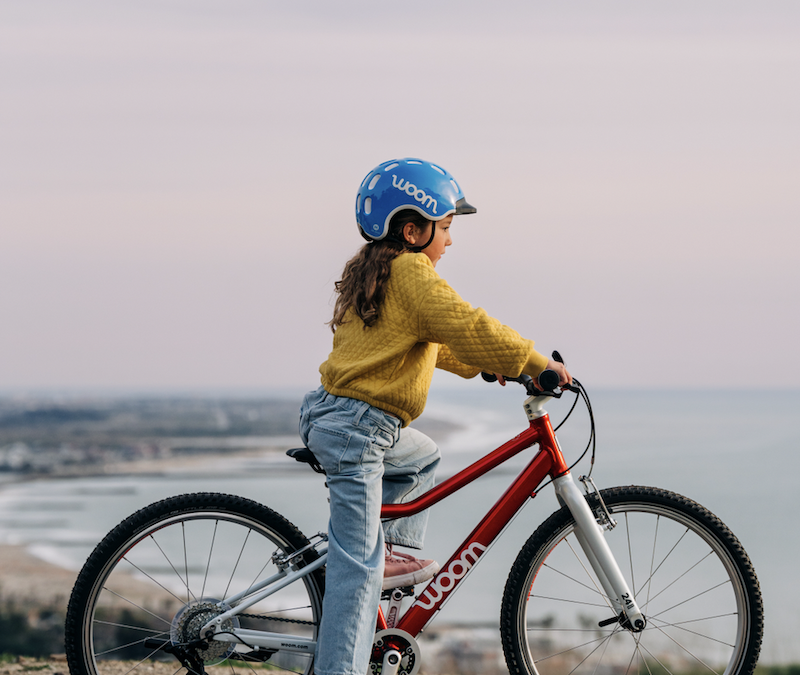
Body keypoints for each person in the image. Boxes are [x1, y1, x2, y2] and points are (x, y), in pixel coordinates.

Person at [299, 157, 571, 675]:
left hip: (342, 418)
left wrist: (494, 370)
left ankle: (394, 559)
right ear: (413, 229)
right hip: (358, 430)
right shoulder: (410, 272)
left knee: (423, 457)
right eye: (445, 227)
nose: (450, 239)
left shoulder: (379, 275)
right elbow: (466, 323)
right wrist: (538, 363)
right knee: (356, 573)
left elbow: (434, 344)